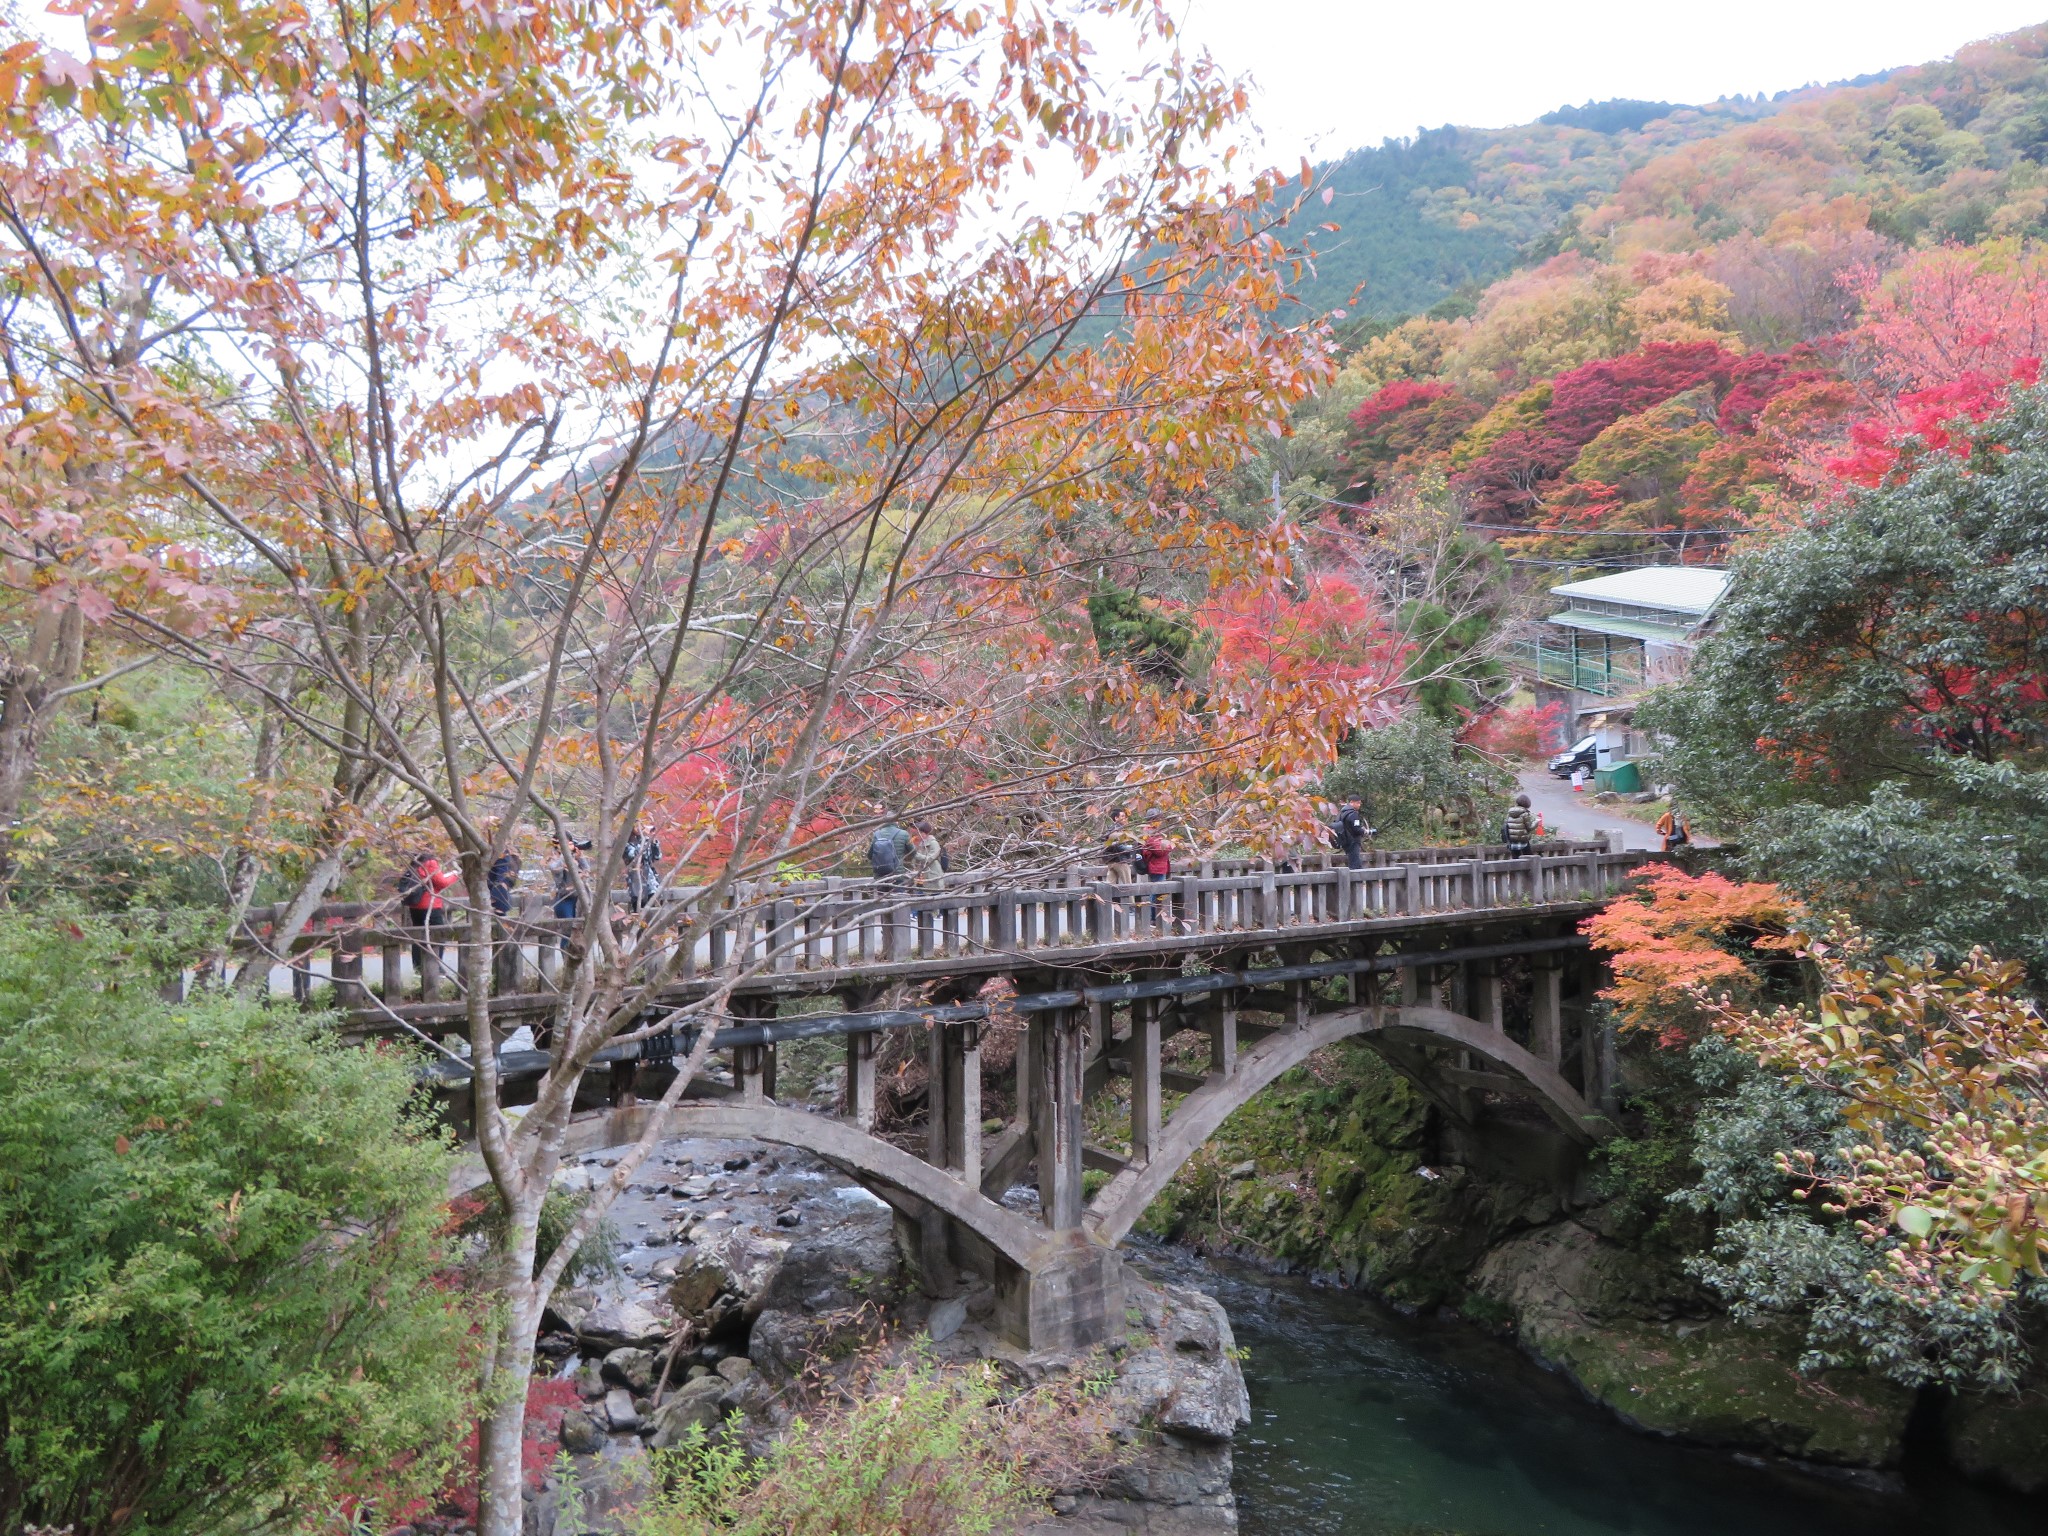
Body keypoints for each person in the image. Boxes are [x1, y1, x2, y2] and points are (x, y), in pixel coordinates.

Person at [398, 849, 459, 972]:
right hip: (429, 905)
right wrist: (455, 875)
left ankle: (419, 967)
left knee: (418, 937)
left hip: (415, 906)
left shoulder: (416, 862)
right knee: (438, 935)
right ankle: (435, 968)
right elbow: (441, 882)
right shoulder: (430, 862)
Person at [623, 825, 663, 912]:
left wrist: (654, 842)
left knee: (651, 905)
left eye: (641, 826)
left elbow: (657, 857)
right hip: (635, 878)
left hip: (650, 879)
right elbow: (633, 856)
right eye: (636, 826)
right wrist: (644, 842)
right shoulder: (626, 843)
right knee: (638, 906)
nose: (639, 828)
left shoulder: (647, 840)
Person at [868, 815, 912, 880]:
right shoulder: (904, 833)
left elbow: (869, 855)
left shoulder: (876, 834)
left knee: (881, 890)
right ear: (896, 821)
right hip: (897, 874)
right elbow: (913, 852)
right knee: (899, 889)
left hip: (880, 876)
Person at [1332, 796, 1369, 870]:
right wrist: (1365, 831)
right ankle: (1355, 881)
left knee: (1351, 862)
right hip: (1353, 841)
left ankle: (1352, 880)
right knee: (1355, 865)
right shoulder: (1353, 813)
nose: (1359, 805)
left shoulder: (1342, 812)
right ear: (1351, 802)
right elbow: (1356, 829)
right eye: (1358, 803)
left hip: (1345, 840)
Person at [907, 820, 944, 885]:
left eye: (919, 832)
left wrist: (915, 854)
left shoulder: (933, 843)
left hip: (932, 876)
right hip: (920, 878)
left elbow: (931, 858)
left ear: (924, 833)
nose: (916, 834)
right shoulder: (919, 843)